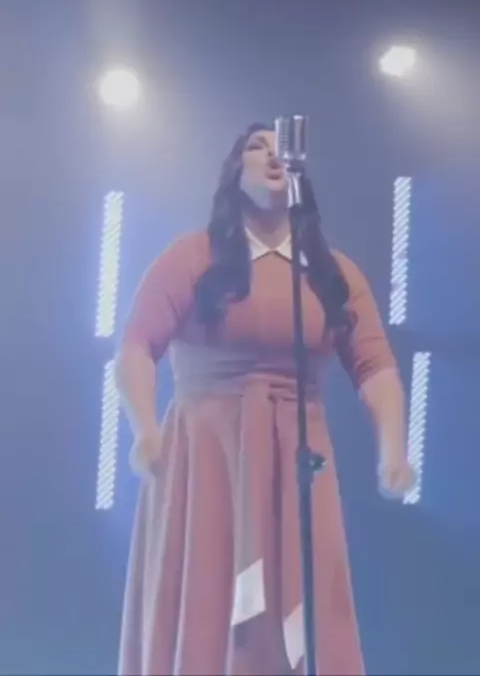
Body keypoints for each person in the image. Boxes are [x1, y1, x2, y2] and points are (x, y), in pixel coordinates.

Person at [116, 123, 414, 676]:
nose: (274, 157)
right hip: (209, 456)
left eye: (283, 150)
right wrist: (144, 430)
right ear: (234, 172)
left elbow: (375, 366)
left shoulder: (331, 271)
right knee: (209, 586)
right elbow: (136, 346)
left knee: (301, 591)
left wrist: (393, 452)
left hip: (296, 454)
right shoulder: (192, 257)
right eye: (258, 147)